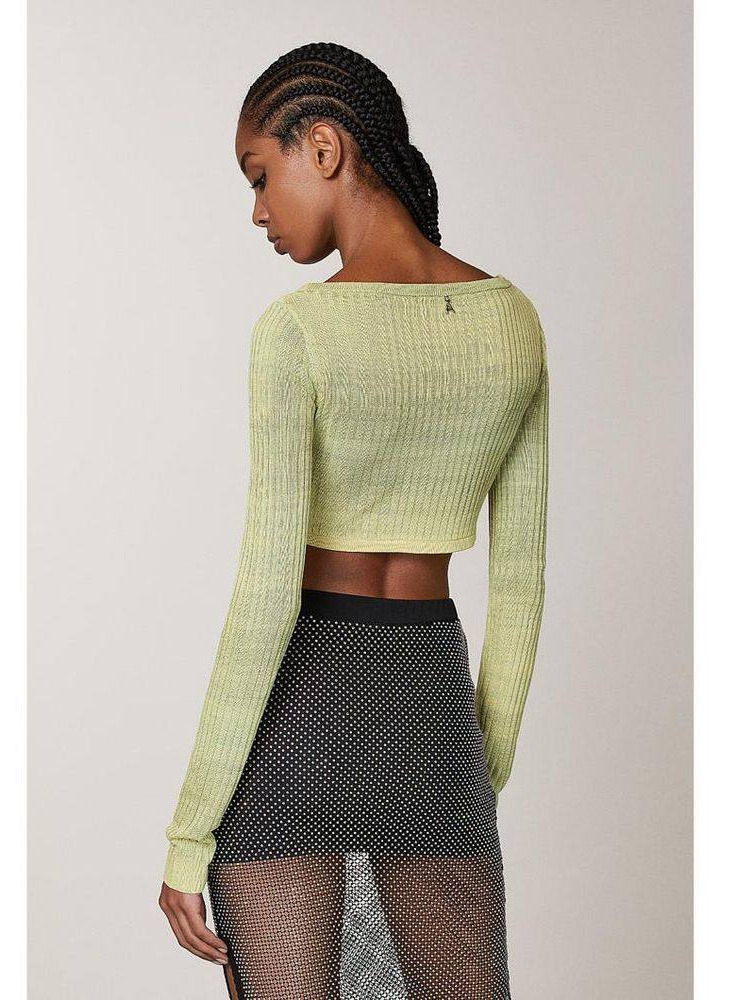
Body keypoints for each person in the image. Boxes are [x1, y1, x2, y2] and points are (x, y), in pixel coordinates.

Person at [159, 41, 549, 1000]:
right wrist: (474, 772)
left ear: (324, 148)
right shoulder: (511, 323)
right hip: (431, 705)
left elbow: (266, 593)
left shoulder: (298, 331)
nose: (258, 210)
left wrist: (188, 834)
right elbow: (520, 583)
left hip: (299, 710)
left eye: (261, 175)